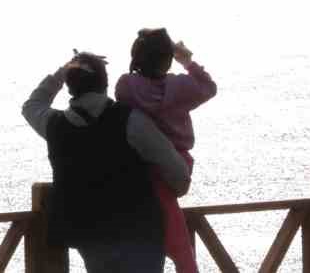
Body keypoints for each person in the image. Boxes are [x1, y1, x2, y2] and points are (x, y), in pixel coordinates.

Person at [23, 50, 192, 273]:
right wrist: (176, 190)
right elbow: (177, 171)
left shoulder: (55, 125)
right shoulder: (131, 120)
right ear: (105, 83)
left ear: (69, 85)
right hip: (140, 235)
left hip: (91, 238)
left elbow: (32, 105)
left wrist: (62, 72)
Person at [115, 29, 218, 273]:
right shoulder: (182, 87)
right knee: (181, 252)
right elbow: (209, 87)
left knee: (142, 253)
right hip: (176, 167)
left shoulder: (128, 86)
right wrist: (186, 60)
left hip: (138, 169)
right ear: (167, 58)